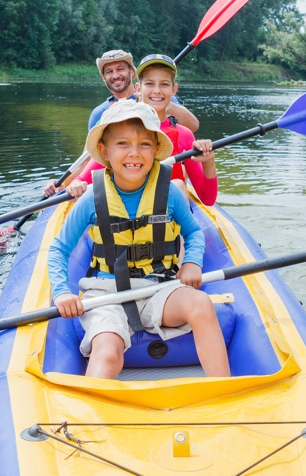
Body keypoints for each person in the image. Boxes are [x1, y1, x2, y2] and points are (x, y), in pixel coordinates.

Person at [47, 100, 230, 380]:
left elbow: (193, 232)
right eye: (123, 144)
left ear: (156, 150)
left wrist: (192, 263)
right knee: (107, 350)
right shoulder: (91, 199)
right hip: (106, 294)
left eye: (144, 144)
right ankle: (90, 418)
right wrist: (61, 292)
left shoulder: (169, 192)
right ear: (105, 152)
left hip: (159, 286)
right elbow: (59, 249)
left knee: (201, 304)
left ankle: (223, 394)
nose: (134, 153)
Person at [66, 54, 218, 206]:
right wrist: (76, 184)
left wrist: (209, 161)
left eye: (164, 84)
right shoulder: (119, 129)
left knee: (178, 184)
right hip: (125, 215)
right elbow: (82, 178)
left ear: (174, 90)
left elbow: (208, 199)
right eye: (150, 84)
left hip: (164, 220)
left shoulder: (184, 135)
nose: (157, 91)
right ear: (138, 88)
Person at [88, 50, 199, 132]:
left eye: (120, 69)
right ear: (103, 77)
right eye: (109, 72)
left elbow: (193, 126)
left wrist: (153, 102)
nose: (115, 75)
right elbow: (88, 157)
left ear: (132, 72)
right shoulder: (99, 113)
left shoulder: (159, 97)